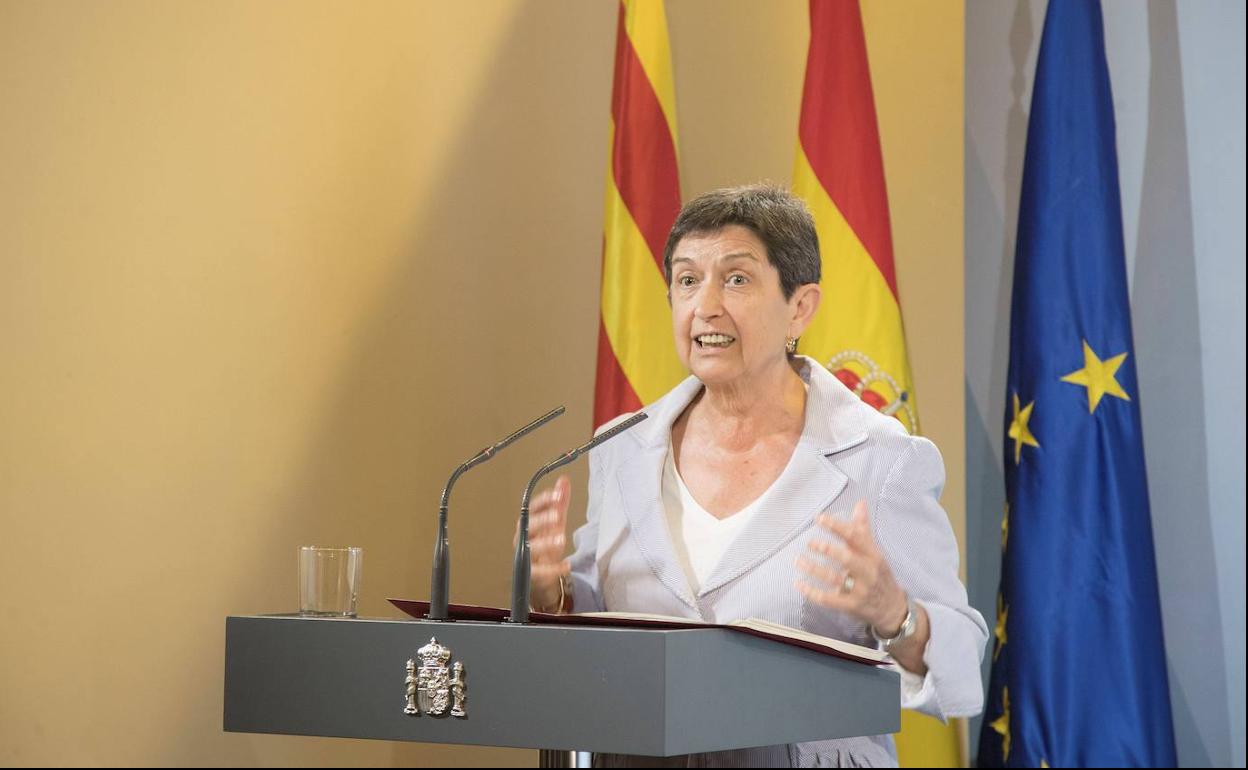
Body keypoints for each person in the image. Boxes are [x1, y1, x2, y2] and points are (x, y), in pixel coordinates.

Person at [524, 185, 987, 767]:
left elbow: (963, 656)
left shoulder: (878, 458)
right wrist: (553, 592)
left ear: (800, 307)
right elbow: (604, 616)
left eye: (736, 279)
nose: (705, 306)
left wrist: (896, 615)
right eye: (687, 280)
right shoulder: (622, 447)